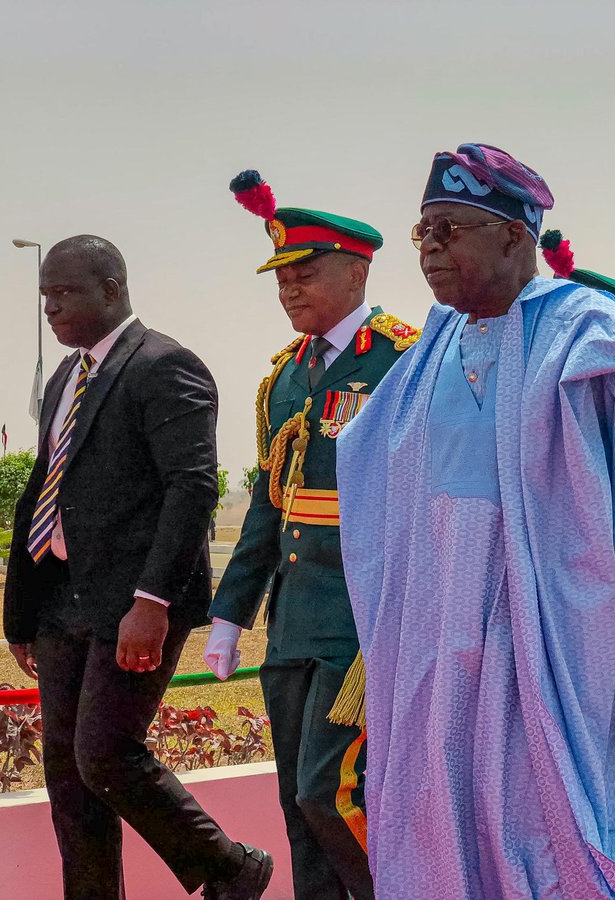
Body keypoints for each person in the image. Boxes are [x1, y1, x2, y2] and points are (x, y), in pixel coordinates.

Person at [336, 143, 615, 898]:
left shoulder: (592, 341)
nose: (431, 248)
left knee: (555, 828)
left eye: (450, 228)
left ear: (515, 234)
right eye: (423, 232)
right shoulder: (427, 352)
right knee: (448, 822)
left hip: (564, 653)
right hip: (443, 657)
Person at [2, 235, 271, 900]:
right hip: (62, 599)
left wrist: (151, 600)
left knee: (106, 754)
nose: (50, 309)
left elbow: (192, 489)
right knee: (69, 778)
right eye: (44, 296)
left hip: (134, 603)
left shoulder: (166, 365)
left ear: (113, 290)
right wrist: (21, 613)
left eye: (64, 292)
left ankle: (232, 867)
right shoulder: (66, 376)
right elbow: (49, 487)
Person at [204, 171, 418, 900]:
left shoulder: (401, 360)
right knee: (298, 806)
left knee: (332, 793)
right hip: (293, 621)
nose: (289, 290)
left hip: (362, 624)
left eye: (305, 274)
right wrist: (230, 614)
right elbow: (269, 507)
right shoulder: (285, 380)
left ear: (357, 271)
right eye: (281, 279)